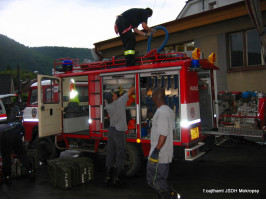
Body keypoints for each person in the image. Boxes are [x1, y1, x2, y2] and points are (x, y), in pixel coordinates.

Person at [146, 88, 181, 199]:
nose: (151, 97)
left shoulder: (161, 112)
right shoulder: (169, 110)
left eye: (152, 95)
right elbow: (171, 131)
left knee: (153, 180)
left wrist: (156, 151)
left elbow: (163, 134)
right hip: (165, 152)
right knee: (160, 179)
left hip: (159, 154)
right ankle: (168, 195)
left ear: (156, 96)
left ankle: (171, 195)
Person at [104, 85, 135, 185]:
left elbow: (107, 98)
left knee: (110, 154)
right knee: (120, 154)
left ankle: (108, 176)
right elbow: (131, 91)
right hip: (118, 132)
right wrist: (134, 84)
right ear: (113, 98)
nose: (114, 95)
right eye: (113, 95)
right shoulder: (120, 102)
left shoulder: (107, 105)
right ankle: (116, 178)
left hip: (111, 131)